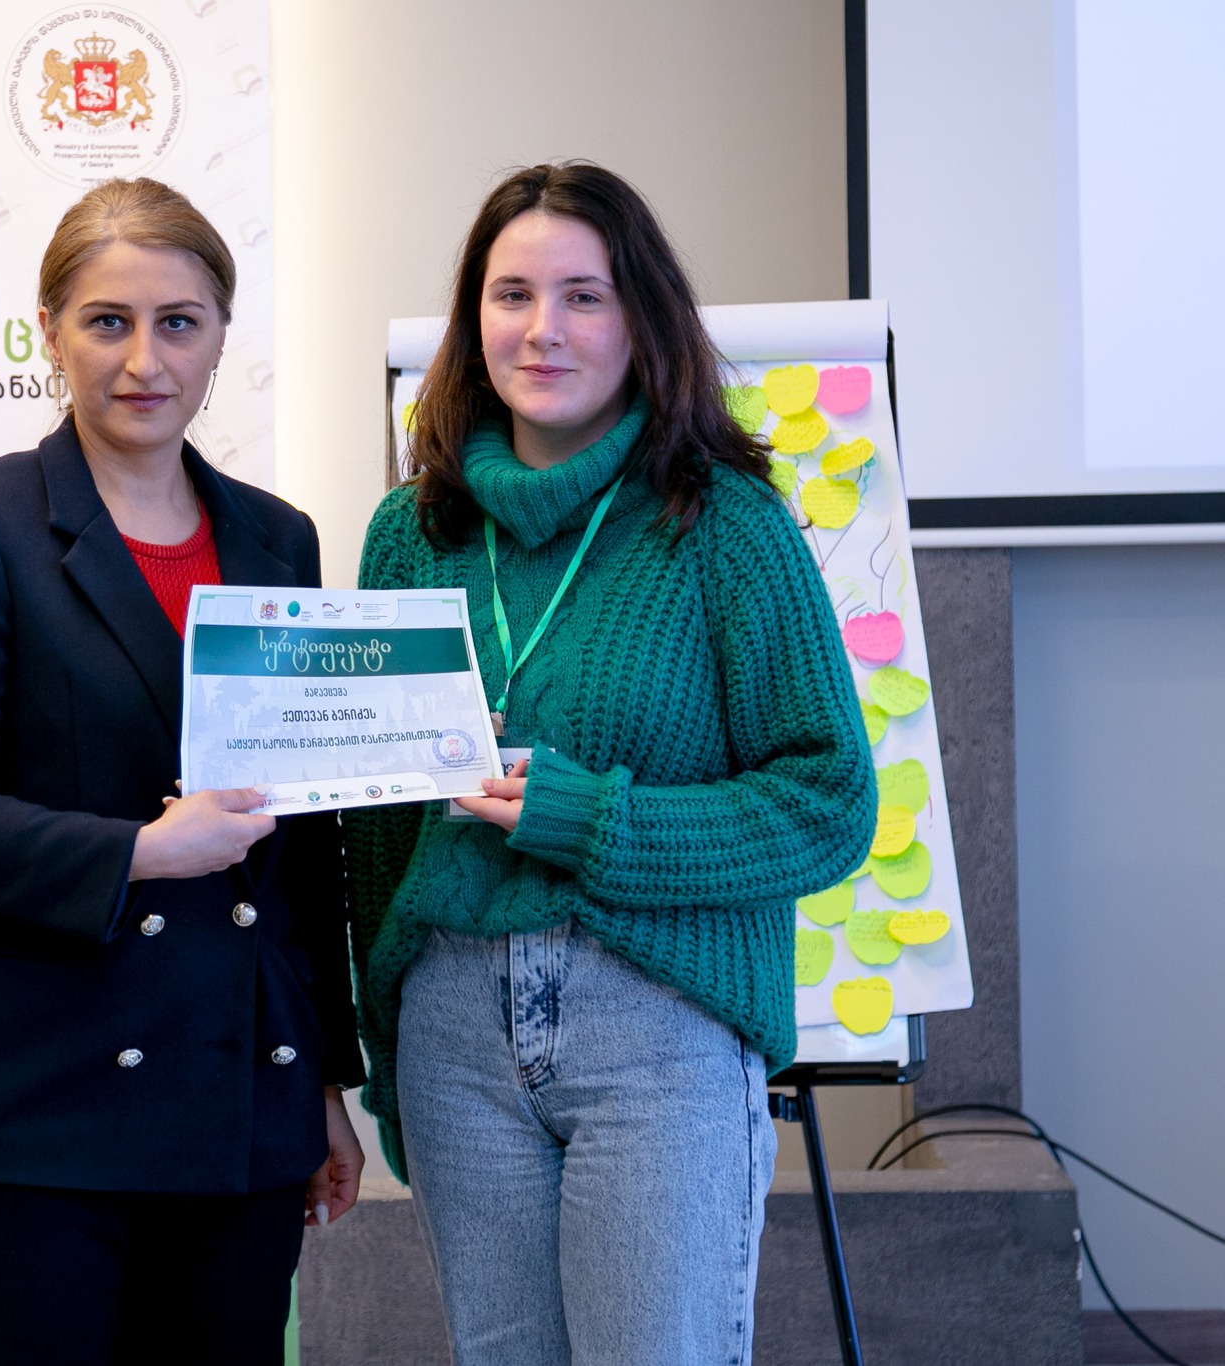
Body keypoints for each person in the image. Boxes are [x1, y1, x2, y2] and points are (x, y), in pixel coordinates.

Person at [344, 162, 877, 1365]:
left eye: (582, 295)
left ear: (640, 317)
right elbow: (376, 837)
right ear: (471, 318)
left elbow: (829, 803)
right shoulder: (407, 535)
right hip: (451, 1034)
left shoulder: (724, 522)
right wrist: (384, 1053)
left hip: (657, 1020)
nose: (543, 328)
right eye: (511, 294)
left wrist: (591, 819)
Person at [0, 177, 365, 1366]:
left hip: (233, 1123)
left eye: (178, 322)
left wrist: (321, 1088)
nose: (145, 359)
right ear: (49, 331)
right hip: (23, 1128)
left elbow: (305, 848)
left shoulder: (276, 538)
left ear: (221, 335)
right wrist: (140, 852)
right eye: (107, 321)